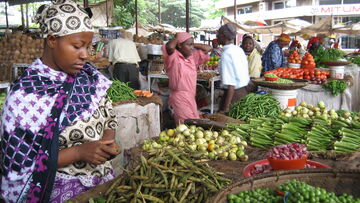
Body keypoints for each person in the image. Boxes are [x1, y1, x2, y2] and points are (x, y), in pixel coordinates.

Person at [0, 1, 121, 202]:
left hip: (102, 183)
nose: (85, 55)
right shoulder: (24, 97)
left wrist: (106, 143)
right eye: (77, 46)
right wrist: (79, 152)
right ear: (52, 40)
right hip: (57, 190)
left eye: (88, 46)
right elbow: (21, 163)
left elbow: (109, 116)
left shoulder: (89, 78)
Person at [162, 32, 211, 125]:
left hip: (191, 97)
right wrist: (177, 37)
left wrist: (191, 43)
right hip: (179, 98)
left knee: (194, 125)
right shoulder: (173, 57)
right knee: (187, 126)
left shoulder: (192, 57)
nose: (192, 48)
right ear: (179, 45)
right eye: (189, 45)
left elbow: (208, 48)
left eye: (192, 45)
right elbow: (170, 47)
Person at [217, 24, 250, 111]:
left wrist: (226, 107)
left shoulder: (227, 54)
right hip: (243, 92)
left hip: (233, 96)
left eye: (218, 34)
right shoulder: (238, 50)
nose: (217, 36)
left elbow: (231, 84)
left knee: (229, 123)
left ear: (224, 36)